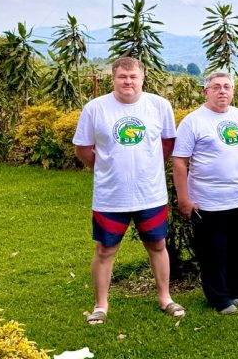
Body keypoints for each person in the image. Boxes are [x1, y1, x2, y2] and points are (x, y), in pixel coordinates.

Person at [73, 56, 184, 325]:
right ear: (113, 78)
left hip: (151, 193)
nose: (128, 82)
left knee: (158, 245)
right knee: (105, 250)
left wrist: (149, 165)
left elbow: (168, 143)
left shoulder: (159, 106)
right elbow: (83, 149)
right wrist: (107, 168)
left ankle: (165, 298)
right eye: (122, 77)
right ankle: (101, 305)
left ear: (142, 78)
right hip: (111, 196)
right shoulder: (95, 108)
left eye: (133, 76)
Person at [172, 72, 238, 315]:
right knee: (213, 250)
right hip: (208, 199)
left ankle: (236, 290)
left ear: (233, 91)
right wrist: (183, 198)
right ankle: (218, 297)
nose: (222, 91)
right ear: (205, 91)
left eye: (227, 87)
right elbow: (179, 162)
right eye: (216, 87)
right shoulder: (193, 121)